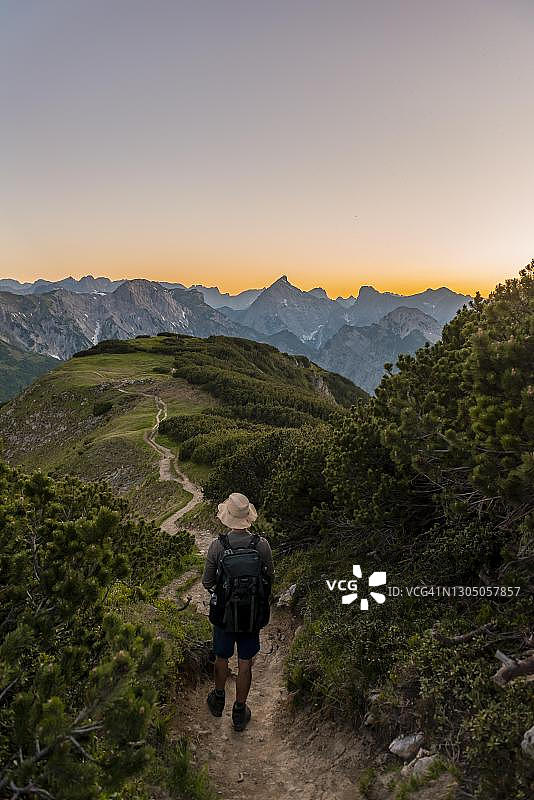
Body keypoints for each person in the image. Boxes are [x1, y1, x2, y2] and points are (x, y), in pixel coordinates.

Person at [202, 492, 274, 731]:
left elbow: (207, 581)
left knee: (222, 657)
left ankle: (218, 697)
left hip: (224, 614)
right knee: (245, 663)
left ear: (227, 518)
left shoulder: (217, 546)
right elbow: (269, 577)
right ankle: (240, 711)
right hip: (251, 615)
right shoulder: (261, 545)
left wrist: (222, 592)